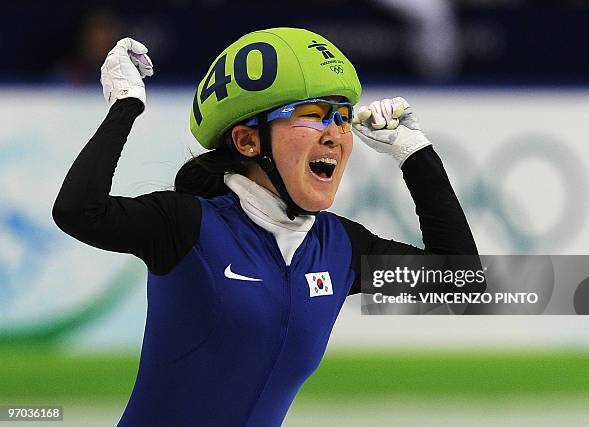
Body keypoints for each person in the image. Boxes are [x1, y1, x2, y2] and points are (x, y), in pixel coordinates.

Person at [52, 28, 478, 427]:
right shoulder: (187, 226)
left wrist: (415, 154)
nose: (334, 134)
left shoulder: (338, 247)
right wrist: (126, 105)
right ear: (247, 142)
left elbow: (463, 285)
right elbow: (77, 212)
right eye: (312, 115)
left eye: (341, 117)